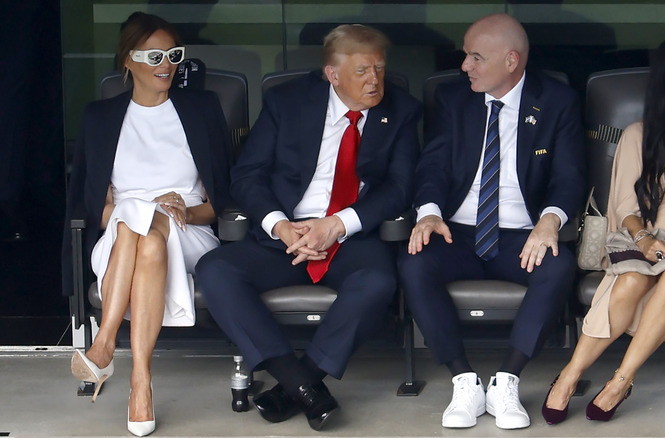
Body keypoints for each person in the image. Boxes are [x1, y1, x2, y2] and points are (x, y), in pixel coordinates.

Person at [195, 24, 421, 431]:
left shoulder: (401, 111)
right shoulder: (288, 103)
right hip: (288, 235)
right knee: (216, 269)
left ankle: (296, 384)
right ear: (332, 74)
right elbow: (247, 176)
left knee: (378, 281)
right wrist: (280, 226)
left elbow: (400, 188)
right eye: (362, 71)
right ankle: (301, 383)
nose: (375, 80)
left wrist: (338, 224)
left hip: (351, 236)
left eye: (380, 69)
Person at [542, 36, 665, 424]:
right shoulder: (639, 134)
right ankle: (570, 375)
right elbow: (625, 207)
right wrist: (646, 240)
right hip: (642, 236)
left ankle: (621, 381)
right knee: (633, 279)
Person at [397, 13, 585, 430]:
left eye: (476, 57)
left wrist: (550, 220)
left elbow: (570, 177)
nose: (465, 66)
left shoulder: (557, 102)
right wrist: (428, 215)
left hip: (522, 233)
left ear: (512, 60)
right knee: (414, 261)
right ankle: (463, 379)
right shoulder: (453, 98)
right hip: (458, 231)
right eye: (466, 56)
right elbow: (433, 166)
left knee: (558, 265)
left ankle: (507, 380)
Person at [62, 12, 231, 437]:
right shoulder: (100, 118)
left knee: (147, 228)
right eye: (154, 55)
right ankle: (141, 379)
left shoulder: (202, 108)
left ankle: (104, 346)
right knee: (137, 231)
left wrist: (185, 212)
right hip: (122, 237)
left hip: (189, 230)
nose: (166, 64)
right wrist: (132, 214)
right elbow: (94, 207)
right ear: (129, 60)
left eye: (173, 55)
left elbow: (223, 202)